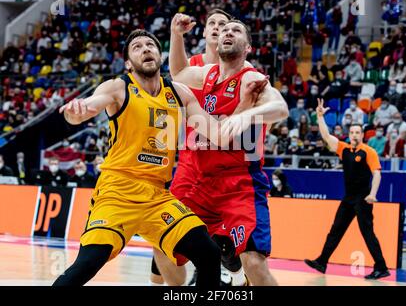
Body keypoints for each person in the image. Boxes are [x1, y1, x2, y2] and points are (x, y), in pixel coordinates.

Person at [53, 29, 266, 287]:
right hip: (118, 192)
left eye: (150, 45)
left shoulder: (179, 93)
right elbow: (88, 108)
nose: (145, 49)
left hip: (157, 198)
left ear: (159, 54)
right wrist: (75, 112)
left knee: (208, 253)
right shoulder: (119, 87)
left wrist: (243, 104)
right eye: (138, 47)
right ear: (129, 63)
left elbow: (218, 136)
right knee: (87, 264)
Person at [152, 15, 288, 286]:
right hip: (202, 183)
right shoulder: (207, 74)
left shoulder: (251, 76)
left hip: (239, 184)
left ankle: (235, 270)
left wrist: (248, 115)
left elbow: (281, 108)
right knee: (163, 239)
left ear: (247, 47)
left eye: (235, 30)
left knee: (253, 261)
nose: (227, 32)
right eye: (224, 29)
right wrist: (176, 34)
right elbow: (177, 72)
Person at [304, 99, 390, 280]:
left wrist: (373, 194)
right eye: (352, 132)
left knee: (367, 234)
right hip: (349, 198)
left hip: (363, 199)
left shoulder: (368, 152)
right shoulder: (344, 149)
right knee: (336, 230)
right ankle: (322, 261)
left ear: (363, 134)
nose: (354, 135)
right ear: (348, 134)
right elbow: (327, 137)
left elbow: (377, 174)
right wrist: (320, 117)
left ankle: (381, 267)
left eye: (357, 132)